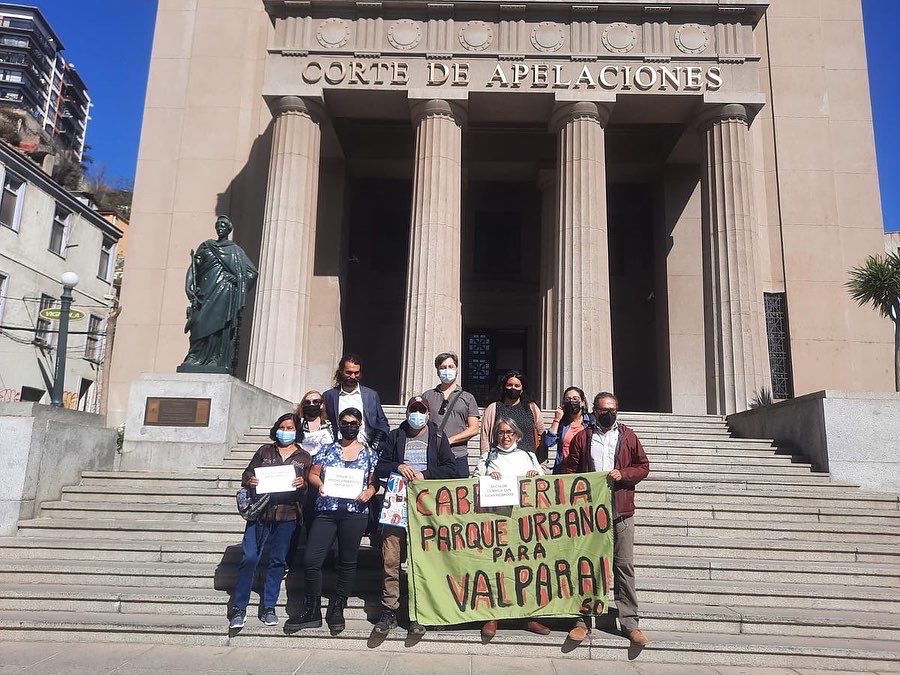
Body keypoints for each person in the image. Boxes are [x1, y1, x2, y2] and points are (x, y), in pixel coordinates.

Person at [563, 392, 650, 647]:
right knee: (587, 567)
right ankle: (582, 621)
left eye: (612, 409)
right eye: (603, 410)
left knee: (623, 567)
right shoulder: (583, 437)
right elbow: (571, 470)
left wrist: (623, 474)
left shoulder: (628, 437)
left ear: (617, 410)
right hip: (590, 514)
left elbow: (643, 466)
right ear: (595, 411)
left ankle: (630, 623)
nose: (608, 413)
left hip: (620, 511)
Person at [373, 396, 458, 637]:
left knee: (420, 561)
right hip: (396, 508)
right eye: (413, 409)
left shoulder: (438, 437)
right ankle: (389, 609)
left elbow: (451, 469)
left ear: (428, 414)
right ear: (407, 412)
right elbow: (380, 465)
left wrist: (427, 474)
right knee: (391, 559)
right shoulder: (395, 436)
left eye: (422, 410)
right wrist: (397, 466)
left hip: (425, 509)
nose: (417, 414)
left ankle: (418, 611)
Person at [295, 407, 379, 633]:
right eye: (345, 422)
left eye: (353, 423)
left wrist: (370, 492)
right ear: (339, 425)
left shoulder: (370, 454)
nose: (349, 426)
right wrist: (320, 485)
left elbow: (374, 482)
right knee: (312, 559)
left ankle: (337, 607)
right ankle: (312, 608)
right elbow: (313, 473)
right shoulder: (327, 449)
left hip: (354, 512)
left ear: (359, 425)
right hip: (326, 510)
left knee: (347, 561)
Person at [229, 412, 310, 630]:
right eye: (283, 427)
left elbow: (307, 490)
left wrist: (302, 484)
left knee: (277, 562)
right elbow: (246, 474)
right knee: (249, 558)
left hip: (287, 515)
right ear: (276, 429)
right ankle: (239, 607)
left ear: (297, 431)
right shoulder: (264, 451)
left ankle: (269, 606)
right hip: (260, 514)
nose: (286, 431)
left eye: (291, 428)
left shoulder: (304, 457)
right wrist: (251, 479)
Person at [475, 417, 549, 639]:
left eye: (509, 432)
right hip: (495, 521)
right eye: (500, 433)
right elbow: (473, 482)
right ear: (495, 436)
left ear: (517, 435)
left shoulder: (529, 457)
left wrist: (536, 476)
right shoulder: (487, 457)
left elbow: (545, 485)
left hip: (524, 524)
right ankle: (492, 616)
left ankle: (529, 617)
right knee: (496, 569)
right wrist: (487, 477)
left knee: (526, 568)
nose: (505, 436)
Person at [420, 351, 480, 479]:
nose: (447, 370)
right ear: (437, 371)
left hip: (458, 456)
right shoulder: (427, 396)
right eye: (443, 367)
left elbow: (474, 428)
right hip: (433, 456)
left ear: (457, 369)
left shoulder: (467, 397)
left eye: (450, 367)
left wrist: (449, 441)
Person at [324, 354, 390, 453]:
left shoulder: (371, 395)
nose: (353, 376)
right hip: (337, 449)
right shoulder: (329, 396)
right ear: (341, 371)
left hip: (366, 449)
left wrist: (376, 446)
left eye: (356, 373)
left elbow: (382, 423)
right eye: (349, 372)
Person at [295, 390, 335, 533]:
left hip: (322, 472)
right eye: (308, 402)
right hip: (301, 471)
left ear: (322, 404)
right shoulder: (297, 424)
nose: (312, 405)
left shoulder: (331, 425)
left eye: (316, 401)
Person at [479, 370, 544, 456]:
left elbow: (541, 434)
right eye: (509, 385)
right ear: (504, 387)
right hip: (500, 459)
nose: (513, 388)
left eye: (517, 386)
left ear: (522, 389)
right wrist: (485, 458)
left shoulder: (531, 408)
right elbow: (485, 436)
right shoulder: (494, 408)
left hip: (527, 460)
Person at [542, 386, 591, 473]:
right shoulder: (562, 423)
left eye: (575, 399)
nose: (571, 401)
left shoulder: (590, 422)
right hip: (564, 470)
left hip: (586, 470)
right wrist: (557, 419)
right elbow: (548, 442)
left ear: (582, 402)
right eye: (567, 399)